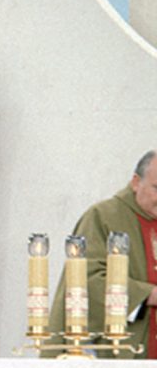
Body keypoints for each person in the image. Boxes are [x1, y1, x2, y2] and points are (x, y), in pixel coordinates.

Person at [48, 150, 157, 357]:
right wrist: (147, 295)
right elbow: (84, 282)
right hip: (122, 353)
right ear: (136, 182)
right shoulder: (104, 217)